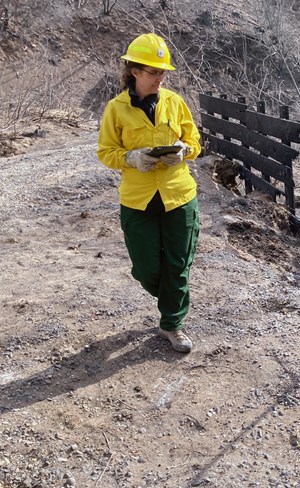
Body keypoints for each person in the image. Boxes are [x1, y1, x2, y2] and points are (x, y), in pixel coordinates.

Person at [97, 33, 202, 353]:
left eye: (163, 72)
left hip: (178, 194)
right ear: (135, 72)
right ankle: (172, 296)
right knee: (146, 268)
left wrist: (183, 151)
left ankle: (172, 324)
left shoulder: (175, 102)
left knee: (178, 263)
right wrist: (130, 157)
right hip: (137, 198)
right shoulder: (116, 109)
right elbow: (105, 151)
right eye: (154, 72)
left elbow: (196, 143)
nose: (160, 78)